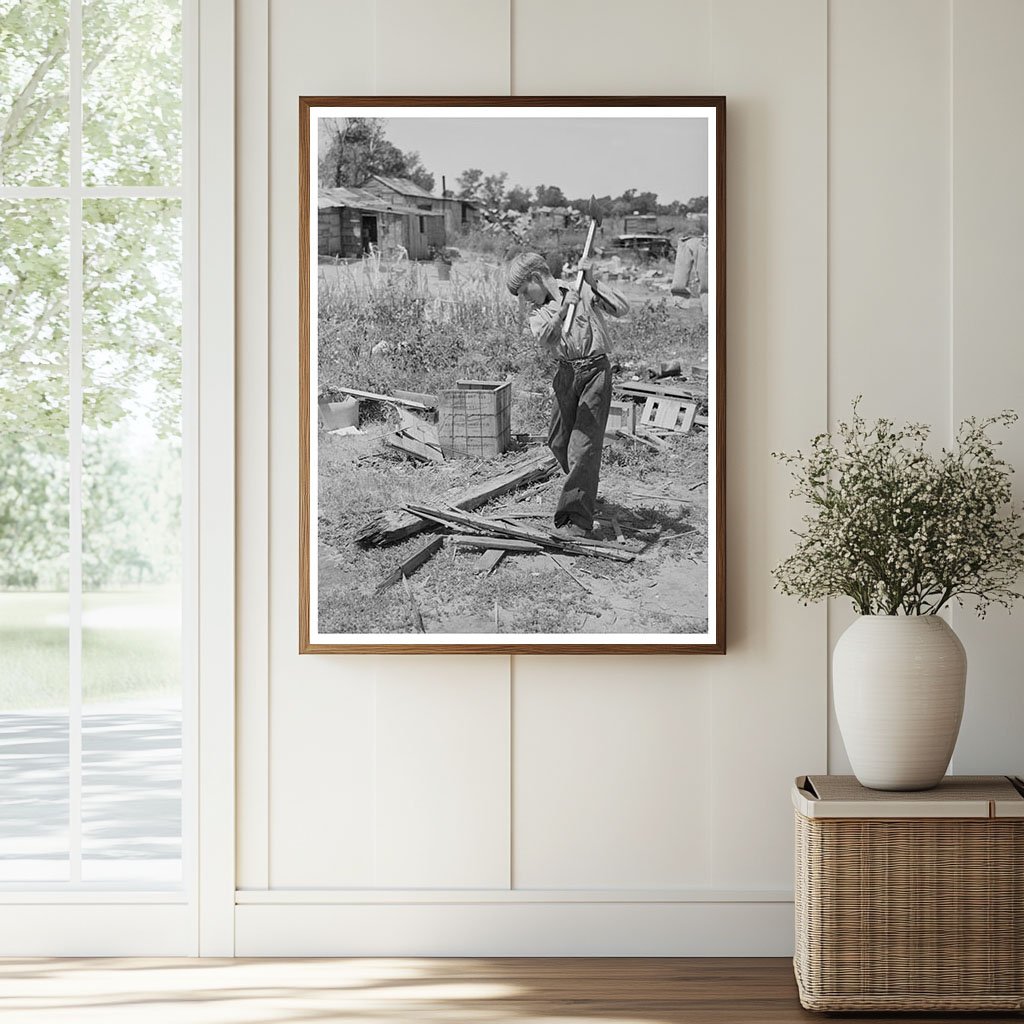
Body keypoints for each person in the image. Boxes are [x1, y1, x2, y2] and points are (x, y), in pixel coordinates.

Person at [506, 251, 630, 537]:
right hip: (565, 374)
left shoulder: (581, 289)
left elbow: (621, 308)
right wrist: (563, 312)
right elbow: (544, 338)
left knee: (583, 447)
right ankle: (584, 486)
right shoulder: (539, 311)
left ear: (536, 278)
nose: (525, 298)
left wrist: (593, 281)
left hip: (594, 372)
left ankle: (577, 520)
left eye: (525, 290)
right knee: (559, 442)